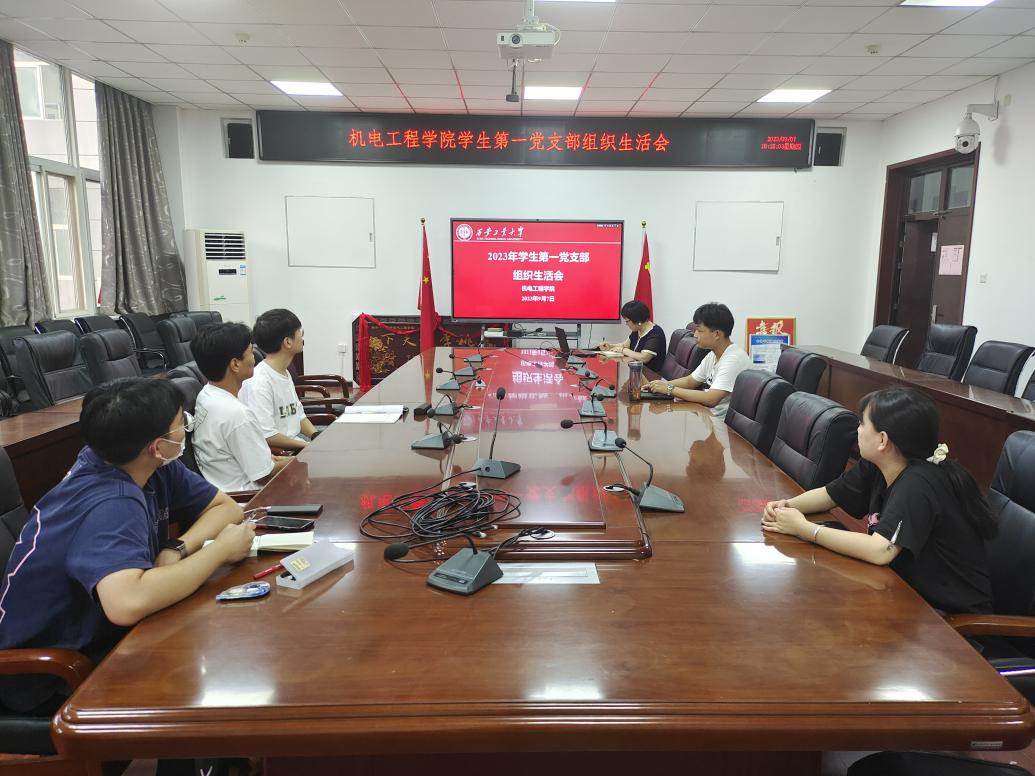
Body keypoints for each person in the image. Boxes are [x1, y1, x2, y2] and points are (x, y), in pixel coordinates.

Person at [0, 378, 254, 714]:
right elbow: (127, 602)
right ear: (158, 446)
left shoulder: (143, 464)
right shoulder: (110, 502)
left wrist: (176, 548)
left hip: (102, 638)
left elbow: (225, 508)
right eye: (182, 423)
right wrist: (219, 550)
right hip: (46, 677)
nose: (185, 430)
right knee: (217, 672)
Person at [761, 387, 995, 615]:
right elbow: (830, 494)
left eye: (862, 423)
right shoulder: (880, 464)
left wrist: (803, 529)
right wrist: (785, 507)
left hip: (949, 620)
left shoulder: (919, 482)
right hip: (905, 596)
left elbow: (880, 550)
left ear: (882, 439)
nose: (857, 429)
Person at [191, 322, 292, 492]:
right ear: (235, 364)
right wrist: (299, 460)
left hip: (226, 489)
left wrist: (276, 461)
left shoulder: (206, 394)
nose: (254, 359)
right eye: (251, 352)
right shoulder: (237, 415)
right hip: (250, 499)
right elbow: (264, 475)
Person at [644, 302, 751, 419]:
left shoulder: (733, 360)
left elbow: (711, 399)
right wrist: (659, 385)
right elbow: (690, 381)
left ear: (717, 334)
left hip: (721, 425)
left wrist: (669, 389)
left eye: (699, 331)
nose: (694, 335)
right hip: (706, 416)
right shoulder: (713, 354)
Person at [240, 308, 317, 453]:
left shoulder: (283, 372)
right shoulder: (260, 382)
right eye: (300, 332)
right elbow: (268, 436)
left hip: (296, 446)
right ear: (287, 342)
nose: (302, 337)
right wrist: (307, 446)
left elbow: (299, 416)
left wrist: (316, 436)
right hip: (280, 455)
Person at [598, 300, 666, 374]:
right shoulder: (638, 330)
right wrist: (610, 346)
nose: (626, 324)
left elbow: (644, 358)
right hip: (637, 372)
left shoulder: (655, 333)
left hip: (651, 376)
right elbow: (624, 345)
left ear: (638, 320)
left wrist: (623, 350)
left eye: (627, 321)